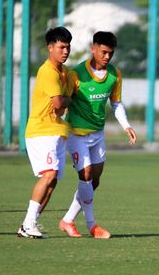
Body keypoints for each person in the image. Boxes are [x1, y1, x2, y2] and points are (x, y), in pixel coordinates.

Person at [58, 31, 136, 239]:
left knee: (94, 181)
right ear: (93, 48)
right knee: (85, 175)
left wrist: (126, 126)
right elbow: (63, 101)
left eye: (111, 53)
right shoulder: (76, 74)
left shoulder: (114, 74)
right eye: (103, 52)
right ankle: (92, 225)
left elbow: (116, 103)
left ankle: (67, 220)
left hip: (97, 134)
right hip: (76, 134)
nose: (107, 57)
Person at [17, 26, 73, 239]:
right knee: (48, 174)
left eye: (67, 47)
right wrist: (71, 98)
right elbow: (60, 103)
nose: (65, 51)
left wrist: (67, 100)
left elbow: (62, 105)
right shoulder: (47, 71)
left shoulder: (65, 72)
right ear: (50, 48)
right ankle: (29, 222)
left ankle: (28, 225)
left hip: (58, 130)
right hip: (41, 130)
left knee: (53, 181)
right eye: (61, 47)